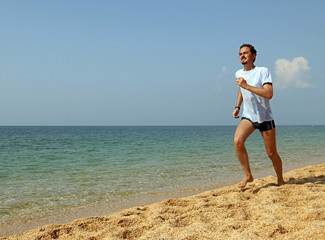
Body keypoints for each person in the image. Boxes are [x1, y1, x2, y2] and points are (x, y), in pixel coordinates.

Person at [233, 43, 284, 188]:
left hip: (265, 117)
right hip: (248, 116)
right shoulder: (238, 73)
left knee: (271, 153)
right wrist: (237, 106)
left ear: (253, 55)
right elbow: (240, 90)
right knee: (238, 141)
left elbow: (269, 94)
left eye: (245, 53)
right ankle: (248, 175)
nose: (242, 55)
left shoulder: (263, 71)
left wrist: (246, 86)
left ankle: (280, 179)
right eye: (240, 53)